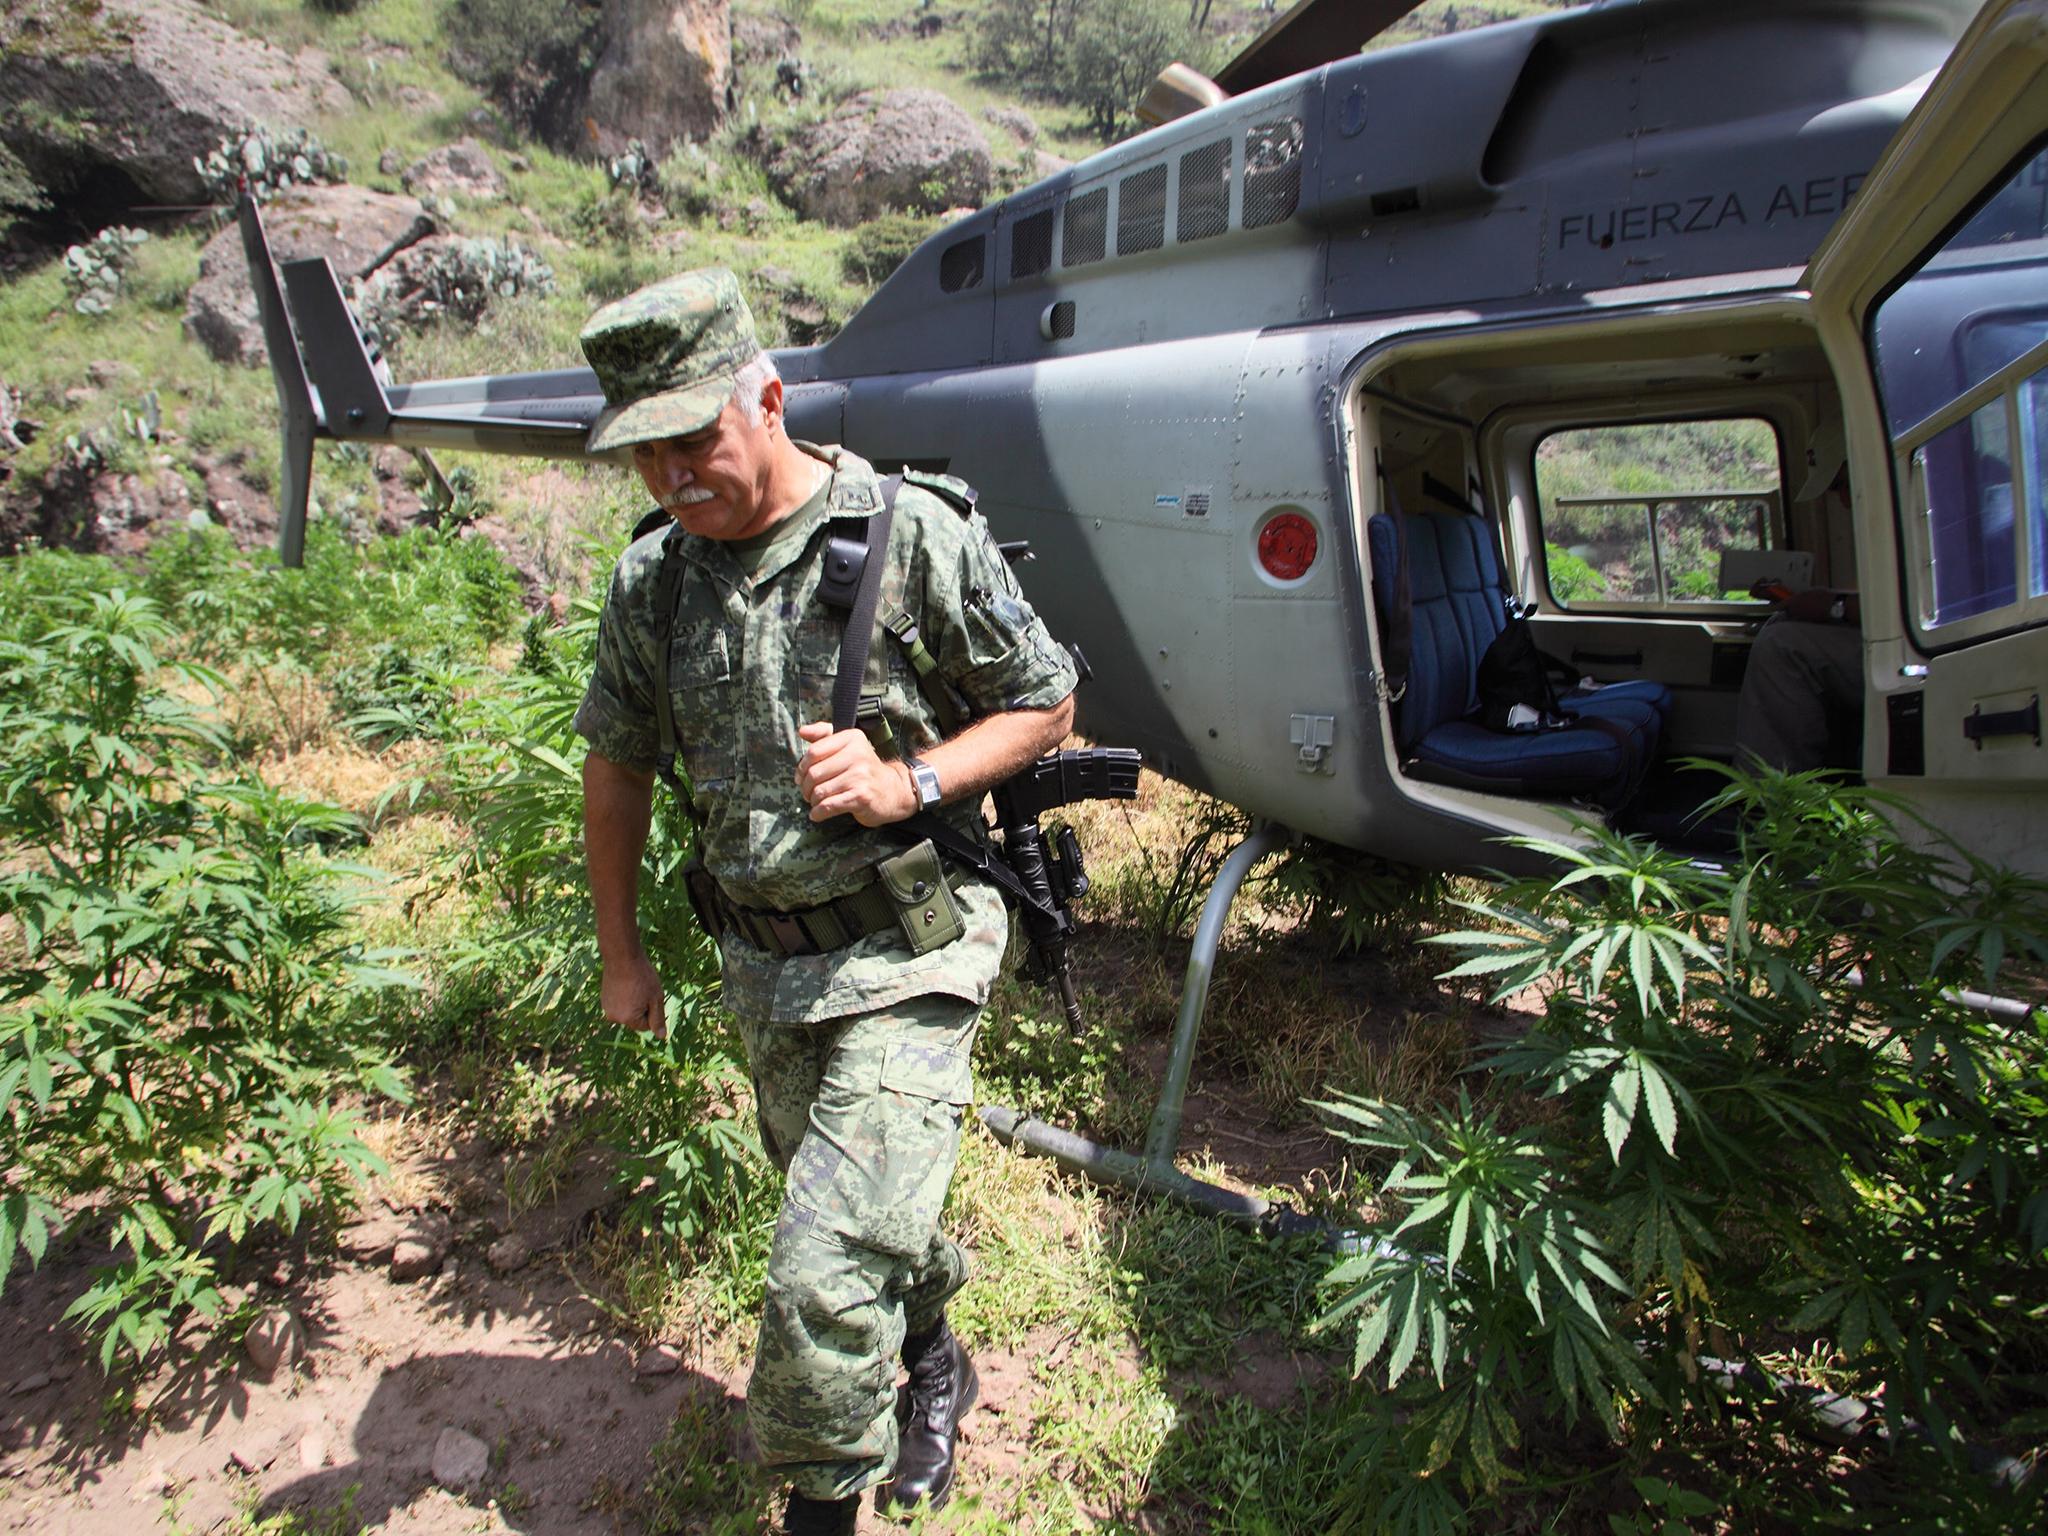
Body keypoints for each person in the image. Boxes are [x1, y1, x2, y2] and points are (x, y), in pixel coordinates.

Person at [571, 269, 1078, 1535]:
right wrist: (619, 954)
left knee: (819, 1273)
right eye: (647, 454)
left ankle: (818, 1507)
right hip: (764, 965)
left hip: (915, 949)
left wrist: (912, 778)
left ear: (771, 400)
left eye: (697, 437)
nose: (676, 475)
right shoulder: (655, 583)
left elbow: (1048, 700)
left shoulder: (909, 535)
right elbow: (617, 765)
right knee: (860, 1223)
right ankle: (933, 1359)